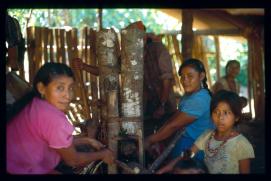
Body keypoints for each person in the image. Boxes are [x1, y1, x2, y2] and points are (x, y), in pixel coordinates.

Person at [7, 62, 115, 174]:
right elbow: (73, 160)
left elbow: (54, 142)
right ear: (41, 88)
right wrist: (103, 154)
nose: (67, 95)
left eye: (70, 88)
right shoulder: (52, 118)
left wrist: (86, 140)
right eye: (60, 88)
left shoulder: (36, 104)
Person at [159, 90, 255, 174]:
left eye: (226, 113)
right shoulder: (207, 135)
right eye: (216, 112)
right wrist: (169, 166)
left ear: (237, 117)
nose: (220, 117)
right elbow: (189, 153)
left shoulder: (241, 144)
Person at [144, 58, 215, 161]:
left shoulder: (200, 100)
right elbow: (174, 119)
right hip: (185, 142)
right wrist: (156, 138)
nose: (185, 81)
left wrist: (149, 140)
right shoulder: (189, 95)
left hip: (195, 148)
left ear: (201, 76)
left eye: (190, 76)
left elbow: (174, 125)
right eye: (182, 77)